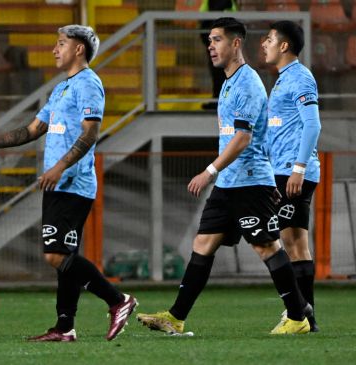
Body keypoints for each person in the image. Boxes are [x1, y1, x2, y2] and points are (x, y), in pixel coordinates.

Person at [136, 17, 311, 335]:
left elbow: (243, 138)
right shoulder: (229, 82)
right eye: (209, 40)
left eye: (216, 40)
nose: (210, 46)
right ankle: (176, 317)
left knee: (267, 247)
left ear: (235, 43)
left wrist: (209, 171)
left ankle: (298, 317)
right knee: (202, 243)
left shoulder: (247, 82)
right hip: (230, 183)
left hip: (250, 182)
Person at [0, 24, 137, 342]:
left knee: (55, 255)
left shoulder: (89, 84)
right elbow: (30, 131)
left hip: (73, 182)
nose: (55, 49)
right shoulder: (61, 89)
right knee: (64, 258)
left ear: (79, 49)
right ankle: (64, 327)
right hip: (59, 184)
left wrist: (58, 167)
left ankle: (118, 300)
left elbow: (90, 133)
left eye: (61, 44)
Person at [262, 20, 321, 331]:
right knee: (295, 241)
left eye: (269, 39)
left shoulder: (300, 78)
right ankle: (305, 317)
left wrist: (298, 168)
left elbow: (313, 125)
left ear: (284, 46)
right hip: (284, 169)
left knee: (285, 239)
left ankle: (298, 315)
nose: (264, 44)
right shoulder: (284, 79)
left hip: (293, 171)